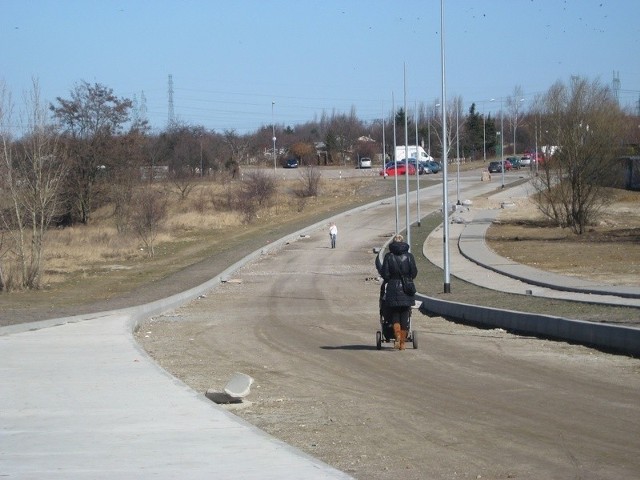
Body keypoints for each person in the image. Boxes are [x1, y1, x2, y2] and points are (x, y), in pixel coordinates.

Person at [379, 234, 418, 350]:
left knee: (395, 314)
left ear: (393, 243)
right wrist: (407, 278)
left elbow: (385, 274)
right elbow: (414, 272)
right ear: (403, 242)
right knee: (405, 315)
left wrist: (390, 279)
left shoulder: (388, 256)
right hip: (407, 289)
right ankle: (402, 343)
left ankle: (397, 336)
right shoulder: (409, 256)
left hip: (392, 288)